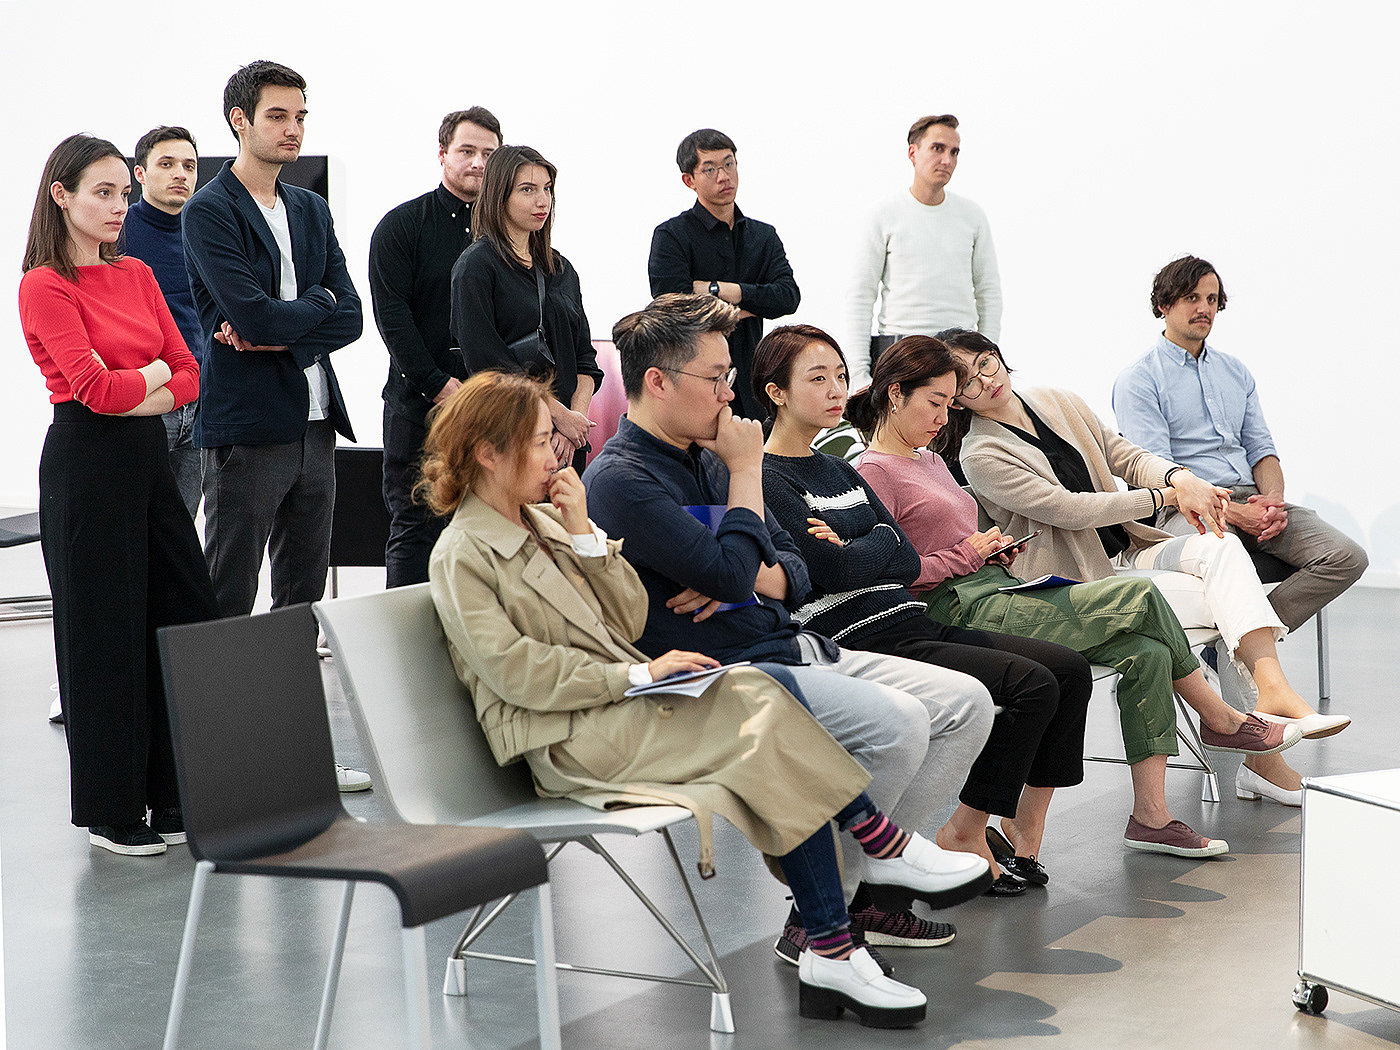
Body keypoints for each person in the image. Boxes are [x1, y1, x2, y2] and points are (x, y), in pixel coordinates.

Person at [425, 370, 985, 1028]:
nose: (559, 455)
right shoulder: (463, 553)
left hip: (616, 711)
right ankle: (862, 879)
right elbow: (516, 672)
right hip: (564, 738)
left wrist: (583, 535)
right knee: (762, 713)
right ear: (489, 453)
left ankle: (838, 926)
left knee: (757, 694)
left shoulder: (548, 521)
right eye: (543, 441)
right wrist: (636, 678)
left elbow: (628, 616)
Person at [582, 293, 994, 960]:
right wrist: (746, 491)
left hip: (793, 644)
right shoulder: (624, 479)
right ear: (657, 382)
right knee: (899, 722)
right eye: (715, 378)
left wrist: (741, 566)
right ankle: (835, 906)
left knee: (965, 703)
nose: (727, 394)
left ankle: (839, 896)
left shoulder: (712, 458)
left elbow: (796, 571)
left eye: (728, 378)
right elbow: (734, 572)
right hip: (730, 674)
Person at [847, 335, 1303, 858]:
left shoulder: (929, 461)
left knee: (1147, 653)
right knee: (1137, 597)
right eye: (939, 402)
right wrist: (970, 555)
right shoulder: (876, 471)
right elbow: (894, 574)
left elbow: (1113, 458)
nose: (944, 416)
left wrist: (989, 551)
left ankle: (1151, 817)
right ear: (895, 395)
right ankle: (1219, 718)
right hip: (960, 604)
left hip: (1000, 583)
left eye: (950, 403)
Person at [939, 328, 1351, 807]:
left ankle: (1271, 694)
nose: (985, 381)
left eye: (986, 362)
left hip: (1130, 551)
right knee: (1228, 598)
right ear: (956, 401)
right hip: (1082, 579)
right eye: (966, 382)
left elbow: (1125, 455)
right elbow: (1068, 509)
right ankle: (1261, 750)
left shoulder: (1055, 399)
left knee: (1219, 548)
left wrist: (1181, 477)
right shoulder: (980, 453)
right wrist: (1168, 495)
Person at [754, 324, 1093, 892]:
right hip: (856, 634)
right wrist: (866, 545)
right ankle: (957, 834)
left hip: (905, 617)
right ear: (776, 393)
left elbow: (902, 557)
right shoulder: (769, 476)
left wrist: (858, 543)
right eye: (819, 378)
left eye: (841, 375)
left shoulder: (838, 469)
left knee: (1066, 669)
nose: (837, 389)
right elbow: (822, 571)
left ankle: (983, 835)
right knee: (1031, 685)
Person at [19, 133, 221, 856]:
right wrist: (151, 385)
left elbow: (191, 372)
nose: (117, 207)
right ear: (61, 195)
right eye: (101, 193)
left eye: (122, 195)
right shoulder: (45, 283)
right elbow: (93, 393)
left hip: (146, 464)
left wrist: (134, 388)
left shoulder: (135, 274)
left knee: (182, 613)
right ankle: (111, 811)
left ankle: (172, 796)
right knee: (103, 637)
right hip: (86, 465)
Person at [181, 59, 369, 792]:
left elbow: (349, 314)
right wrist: (310, 311)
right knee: (226, 596)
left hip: (317, 425)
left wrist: (297, 320)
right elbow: (248, 313)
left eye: (300, 118)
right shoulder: (209, 210)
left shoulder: (311, 208)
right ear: (240, 120)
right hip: (250, 426)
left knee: (301, 600)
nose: (291, 130)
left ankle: (298, 758)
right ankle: (213, 764)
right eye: (277, 117)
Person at [1113, 256, 1367, 639]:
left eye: (1212, 299)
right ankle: (1249, 646)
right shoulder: (1139, 380)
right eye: (1191, 298)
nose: (1204, 309)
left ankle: (1241, 640)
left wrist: (1274, 503)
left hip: (1253, 501)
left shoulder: (1235, 372)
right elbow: (1157, 474)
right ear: (1164, 305)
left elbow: (1261, 449)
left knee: (1347, 556)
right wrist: (1231, 512)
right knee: (1227, 554)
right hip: (1188, 508)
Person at [370, 107, 502, 587]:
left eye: (490, 154)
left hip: (493, 409)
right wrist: (438, 385)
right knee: (415, 529)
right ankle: (403, 660)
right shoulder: (401, 227)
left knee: (492, 533)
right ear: (443, 154)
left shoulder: (509, 234)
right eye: (467, 151)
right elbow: (393, 319)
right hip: (419, 408)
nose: (479, 163)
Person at [450, 145, 600, 472]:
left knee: (565, 522)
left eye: (547, 189)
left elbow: (585, 360)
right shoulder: (476, 267)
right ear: (499, 195)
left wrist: (573, 425)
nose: (542, 200)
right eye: (527, 190)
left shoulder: (561, 269)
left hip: (568, 442)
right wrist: (556, 418)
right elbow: (489, 366)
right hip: (512, 432)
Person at [647, 128, 799, 420]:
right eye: (710, 169)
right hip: (694, 378)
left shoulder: (763, 236)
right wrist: (752, 304)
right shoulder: (671, 235)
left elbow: (787, 297)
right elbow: (671, 304)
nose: (724, 176)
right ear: (689, 180)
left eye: (729, 164)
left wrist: (720, 290)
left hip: (753, 377)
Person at [842, 114, 1001, 392]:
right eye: (937, 148)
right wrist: (858, 374)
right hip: (901, 352)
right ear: (912, 153)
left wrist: (985, 359)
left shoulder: (972, 216)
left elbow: (989, 293)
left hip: (960, 354)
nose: (947, 160)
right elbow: (860, 295)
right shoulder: (883, 214)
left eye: (954, 152)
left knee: (959, 435)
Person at [124, 125, 204, 519]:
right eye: (167, 164)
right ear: (139, 174)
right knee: (135, 521)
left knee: (180, 530)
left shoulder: (205, 234)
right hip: (146, 398)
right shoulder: (116, 232)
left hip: (199, 398)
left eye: (189, 166)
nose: (180, 174)